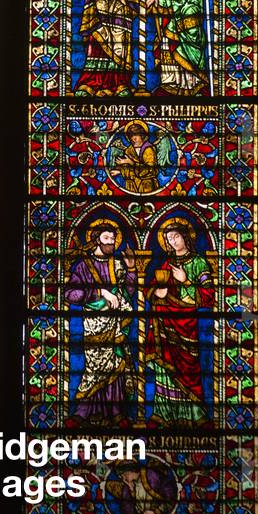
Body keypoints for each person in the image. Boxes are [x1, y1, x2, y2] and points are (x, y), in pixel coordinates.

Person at [64, 222, 136, 422]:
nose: (111, 243)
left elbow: (129, 292)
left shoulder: (117, 264)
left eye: (113, 239)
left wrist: (131, 269)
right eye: (106, 238)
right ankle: (84, 412)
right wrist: (98, 292)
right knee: (94, 368)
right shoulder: (82, 266)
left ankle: (116, 413)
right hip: (94, 326)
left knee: (116, 365)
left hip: (115, 325)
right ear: (96, 240)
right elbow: (71, 293)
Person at [145, 218, 214, 426]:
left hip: (187, 328)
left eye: (176, 236)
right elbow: (150, 292)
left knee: (187, 372)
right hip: (165, 326)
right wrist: (157, 292)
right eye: (169, 238)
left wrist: (185, 281)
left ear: (186, 237)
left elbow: (209, 295)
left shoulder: (198, 263)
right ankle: (164, 415)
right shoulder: (167, 264)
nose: (173, 242)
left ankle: (193, 415)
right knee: (164, 371)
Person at [110, 121, 159, 194]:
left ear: (142, 136)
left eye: (135, 138)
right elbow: (128, 170)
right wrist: (120, 171)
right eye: (131, 138)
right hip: (131, 186)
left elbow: (150, 171)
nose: (133, 140)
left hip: (146, 186)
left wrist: (131, 162)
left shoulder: (149, 150)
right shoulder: (128, 151)